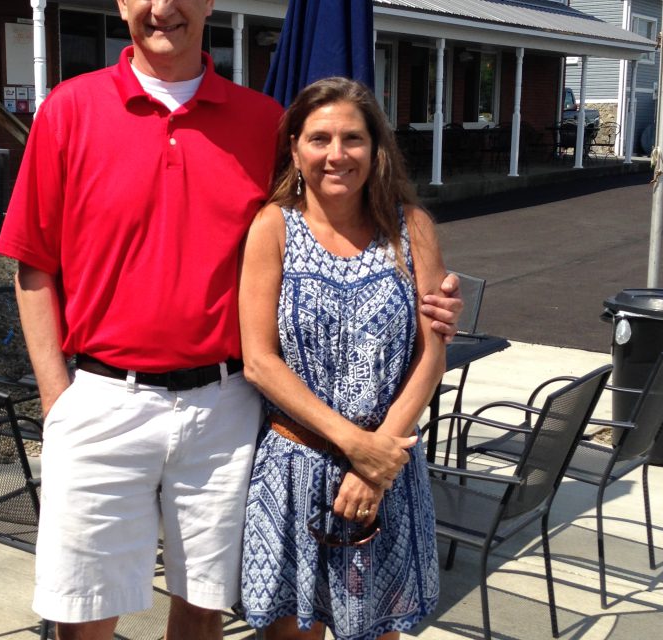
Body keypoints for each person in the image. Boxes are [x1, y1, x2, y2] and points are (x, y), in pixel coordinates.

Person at [0, 0, 462, 638]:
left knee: (202, 605)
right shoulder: (69, 110)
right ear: (122, 4)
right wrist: (58, 399)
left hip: (225, 406)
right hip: (103, 398)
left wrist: (420, 296)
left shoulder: (262, 121)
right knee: (83, 615)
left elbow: (324, 221)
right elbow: (32, 265)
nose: (163, 9)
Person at [238, 77, 446, 640]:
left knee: (378, 633)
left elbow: (432, 354)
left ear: (376, 149)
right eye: (319, 138)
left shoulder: (412, 229)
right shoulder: (273, 227)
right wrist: (357, 448)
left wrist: (376, 465)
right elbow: (258, 360)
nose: (336, 155)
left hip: (387, 469)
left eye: (352, 138)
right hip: (295, 465)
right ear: (295, 149)